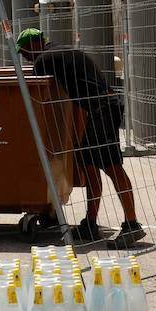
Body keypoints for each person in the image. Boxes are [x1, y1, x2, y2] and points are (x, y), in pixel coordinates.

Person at [16, 27, 146, 246]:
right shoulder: (59, 51)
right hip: (101, 107)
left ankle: (132, 224)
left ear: (34, 44)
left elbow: (33, 87)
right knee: (90, 166)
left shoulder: (45, 58)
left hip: (102, 109)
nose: (25, 57)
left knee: (112, 167)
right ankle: (90, 224)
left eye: (25, 52)